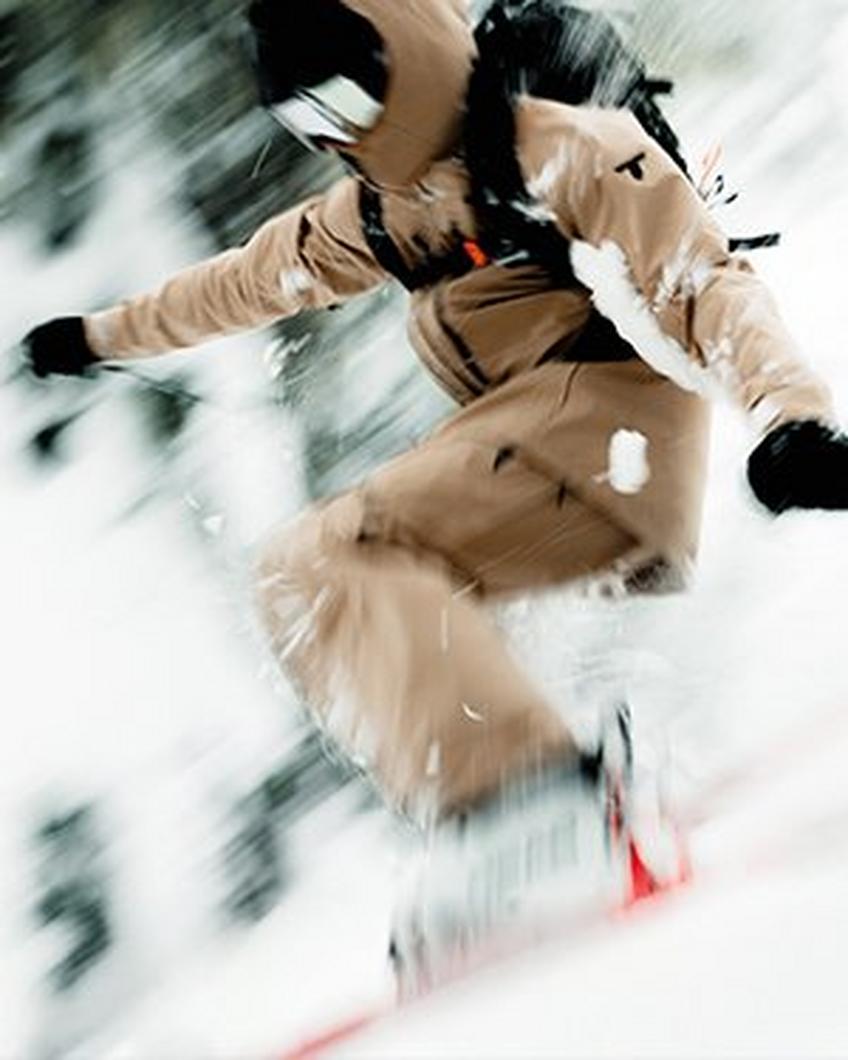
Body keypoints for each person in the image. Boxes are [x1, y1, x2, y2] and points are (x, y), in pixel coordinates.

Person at [21, 0, 848, 985]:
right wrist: (100, 338)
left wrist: (791, 419)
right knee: (305, 581)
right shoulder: (379, 211)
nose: (335, 138)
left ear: (400, 65)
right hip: (533, 445)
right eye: (303, 125)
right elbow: (242, 282)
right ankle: (501, 814)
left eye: (339, 103)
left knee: (335, 553)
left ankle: (540, 803)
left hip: (606, 436)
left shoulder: (558, 151)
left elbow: (703, 280)